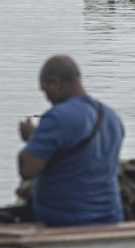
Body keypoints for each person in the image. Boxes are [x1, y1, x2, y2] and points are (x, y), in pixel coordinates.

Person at [17, 54, 125, 226]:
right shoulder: (112, 118)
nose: (47, 99)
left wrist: (30, 140)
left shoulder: (57, 117)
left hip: (64, 219)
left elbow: (28, 169)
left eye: (45, 91)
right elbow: (80, 161)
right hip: (110, 218)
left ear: (55, 83)